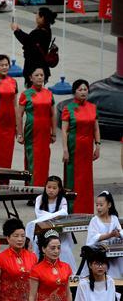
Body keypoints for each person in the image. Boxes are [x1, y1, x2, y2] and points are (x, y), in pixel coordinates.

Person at [60, 80, 100, 214]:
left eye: (85, 89)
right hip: (73, 148)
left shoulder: (92, 107)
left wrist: (98, 145)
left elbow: (95, 128)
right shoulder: (68, 108)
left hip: (87, 148)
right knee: (73, 178)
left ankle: (86, 209)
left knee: (86, 179)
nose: (83, 92)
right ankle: (71, 209)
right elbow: (64, 131)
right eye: (80, 89)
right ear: (74, 92)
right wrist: (65, 149)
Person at [16, 67, 56, 188]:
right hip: (32, 131)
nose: (39, 77)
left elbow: (53, 114)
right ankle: (32, 189)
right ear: (30, 78)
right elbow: (19, 115)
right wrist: (19, 134)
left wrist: (53, 132)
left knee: (44, 160)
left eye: (42, 75)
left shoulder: (49, 94)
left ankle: (43, 188)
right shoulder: (26, 94)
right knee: (33, 159)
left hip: (45, 131)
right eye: (37, 75)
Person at [12, 7, 56, 87]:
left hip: (34, 65)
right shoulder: (47, 29)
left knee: (32, 88)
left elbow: (27, 41)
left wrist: (16, 31)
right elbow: (31, 39)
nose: (35, 17)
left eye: (37, 15)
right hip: (41, 64)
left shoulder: (39, 32)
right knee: (38, 87)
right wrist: (19, 30)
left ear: (42, 17)